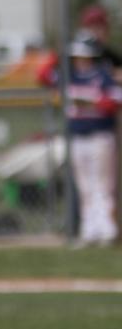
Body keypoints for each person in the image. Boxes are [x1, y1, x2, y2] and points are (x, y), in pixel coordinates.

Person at [38, 40, 121, 246]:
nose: (80, 61)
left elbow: (115, 101)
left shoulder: (102, 76)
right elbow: (43, 75)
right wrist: (58, 54)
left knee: (102, 184)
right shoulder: (69, 76)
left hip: (99, 135)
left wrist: (93, 102)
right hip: (77, 137)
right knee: (84, 186)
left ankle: (107, 229)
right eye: (76, 57)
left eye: (84, 57)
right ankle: (90, 229)